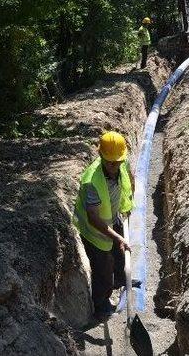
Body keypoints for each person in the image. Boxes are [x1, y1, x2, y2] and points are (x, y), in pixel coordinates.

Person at [73, 131, 139, 318]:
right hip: (95, 230)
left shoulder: (120, 160)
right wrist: (117, 237)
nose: (114, 166)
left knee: (120, 254)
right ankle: (101, 304)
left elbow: (129, 179)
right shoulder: (91, 181)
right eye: (110, 162)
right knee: (103, 268)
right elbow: (93, 218)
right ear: (101, 155)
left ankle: (121, 280)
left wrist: (128, 204)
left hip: (112, 216)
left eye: (118, 162)